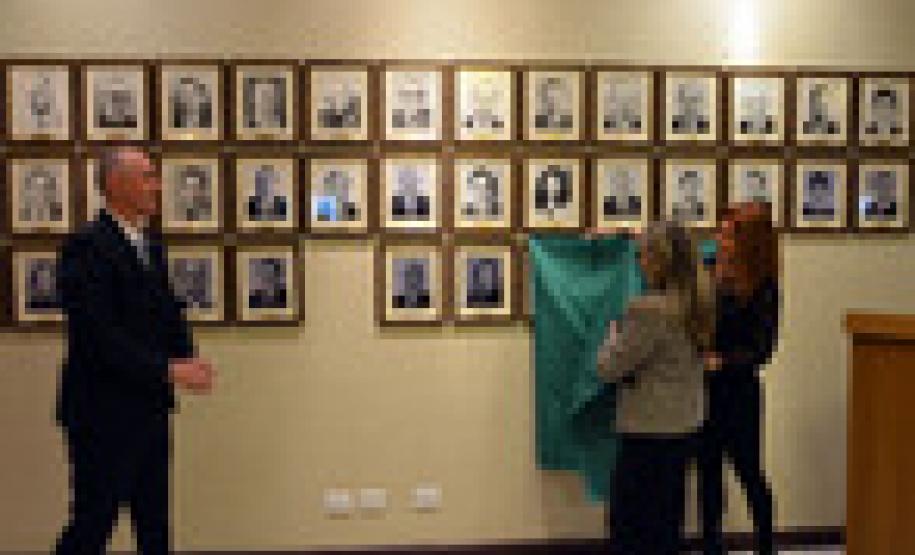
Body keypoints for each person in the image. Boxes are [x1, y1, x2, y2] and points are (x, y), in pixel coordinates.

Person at [54, 147, 216, 555]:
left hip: (149, 408)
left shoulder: (151, 246)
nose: (156, 186)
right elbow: (99, 336)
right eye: (146, 176)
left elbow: (164, 311)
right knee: (93, 524)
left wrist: (186, 355)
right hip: (101, 412)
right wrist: (168, 370)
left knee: (155, 526)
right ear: (114, 184)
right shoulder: (85, 248)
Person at [596, 220, 715, 554]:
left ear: (659, 261)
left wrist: (611, 339)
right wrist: (628, 229)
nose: (640, 263)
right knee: (667, 524)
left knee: (629, 528)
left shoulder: (648, 310)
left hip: (647, 433)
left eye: (644, 256)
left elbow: (608, 368)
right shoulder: (700, 302)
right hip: (684, 426)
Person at [699, 201, 780, 555]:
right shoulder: (708, 270)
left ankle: (765, 545)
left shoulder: (764, 288)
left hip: (739, 392)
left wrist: (722, 362)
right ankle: (711, 545)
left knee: (749, 473)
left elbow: (762, 349)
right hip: (705, 391)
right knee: (708, 474)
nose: (720, 239)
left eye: (729, 233)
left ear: (749, 241)